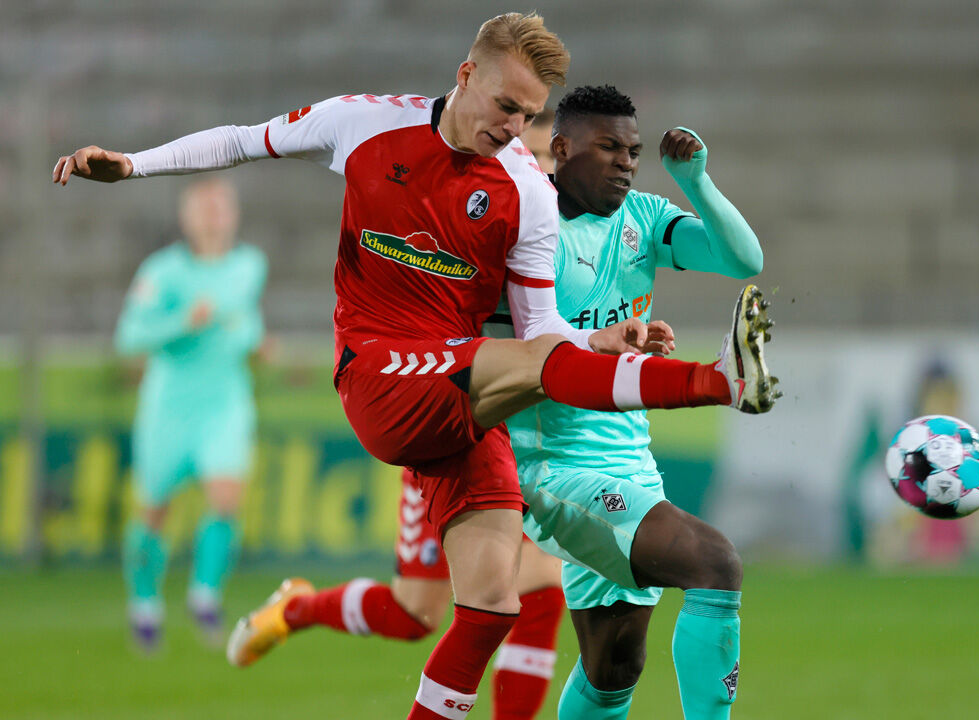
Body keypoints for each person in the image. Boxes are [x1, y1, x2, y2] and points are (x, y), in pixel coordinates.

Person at [53, 14, 778, 720]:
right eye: (506, 108)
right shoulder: (363, 122)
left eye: (527, 115)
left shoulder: (526, 191)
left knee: (481, 606)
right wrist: (134, 164)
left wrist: (601, 342)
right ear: (466, 76)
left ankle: (300, 608)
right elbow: (246, 140)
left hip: (471, 400)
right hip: (384, 372)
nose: (513, 130)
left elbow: (545, 336)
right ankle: (717, 380)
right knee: (458, 595)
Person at [226, 114, 569, 720]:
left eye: (548, 159)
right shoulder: (475, 215)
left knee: (538, 591)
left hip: (520, 435)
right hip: (448, 421)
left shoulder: (552, 234)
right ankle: (298, 609)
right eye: (528, 154)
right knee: (416, 613)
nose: (538, 169)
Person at [506, 85, 762, 720]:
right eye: (609, 148)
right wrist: (596, 343)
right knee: (714, 562)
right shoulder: (525, 229)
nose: (626, 162)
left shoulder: (643, 219)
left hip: (629, 462)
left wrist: (695, 182)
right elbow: (525, 351)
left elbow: (744, 259)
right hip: (556, 468)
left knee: (613, 666)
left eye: (634, 151)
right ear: (560, 150)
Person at [113, 178, 267, 652]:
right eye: (205, 207)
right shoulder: (162, 273)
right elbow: (129, 338)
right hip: (170, 405)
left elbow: (245, 323)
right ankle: (144, 604)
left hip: (224, 401)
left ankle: (204, 596)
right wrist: (185, 321)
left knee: (225, 497)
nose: (215, 215)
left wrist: (254, 341)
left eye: (222, 206)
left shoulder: (249, 266)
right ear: (187, 216)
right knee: (154, 510)